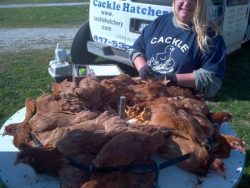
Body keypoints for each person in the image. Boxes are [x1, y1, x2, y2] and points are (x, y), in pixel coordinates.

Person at [129, 0, 226, 98]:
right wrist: (143, 69)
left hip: (181, 104)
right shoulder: (159, 23)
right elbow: (137, 50)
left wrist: (172, 79)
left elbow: (212, 78)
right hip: (149, 94)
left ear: (201, 4)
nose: (187, 3)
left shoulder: (210, 36)